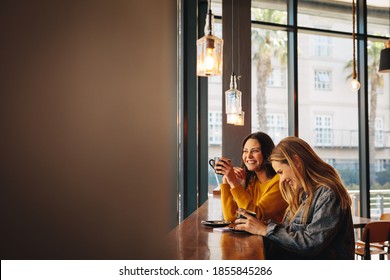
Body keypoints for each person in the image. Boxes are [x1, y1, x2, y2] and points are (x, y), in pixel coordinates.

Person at [234, 136, 355, 259]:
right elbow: (290, 233)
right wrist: (259, 226)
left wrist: (265, 230)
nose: (281, 180)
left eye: (281, 172)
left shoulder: (328, 194)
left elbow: (311, 244)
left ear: (296, 162)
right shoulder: (303, 193)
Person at [214, 132, 287, 223]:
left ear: (267, 153)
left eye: (255, 151)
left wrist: (234, 182)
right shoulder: (253, 181)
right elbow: (231, 218)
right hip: (255, 236)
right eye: (245, 151)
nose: (248, 156)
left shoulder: (280, 182)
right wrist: (226, 180)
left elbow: (257, 216)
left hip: (271, 236)